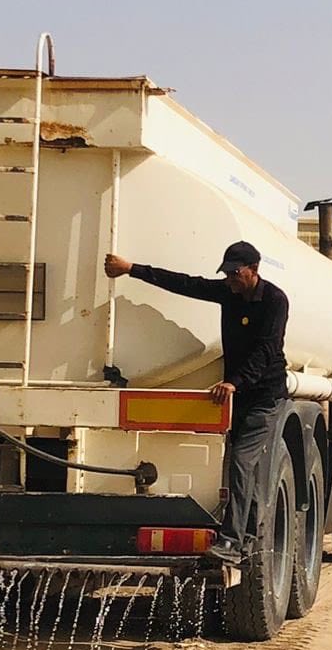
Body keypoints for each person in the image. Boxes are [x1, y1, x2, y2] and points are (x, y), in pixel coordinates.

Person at [103, 241, 288, 563]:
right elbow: (185, 284)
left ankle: (232, 543)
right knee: (245, 468)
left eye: (235, 273)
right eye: (226, 273)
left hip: (265, 398)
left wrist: (234, 382)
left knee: (242, 463)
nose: (230, 279)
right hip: (237, 397)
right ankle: (248, 541)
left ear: (254, 269)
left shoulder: (274, 300)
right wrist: (131, 269)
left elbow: (267, 350)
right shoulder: (229, 293)